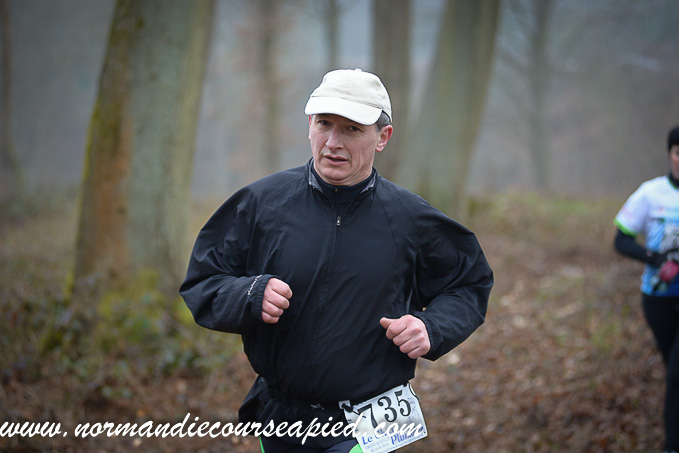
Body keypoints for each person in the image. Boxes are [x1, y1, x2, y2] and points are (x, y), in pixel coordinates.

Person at [180, 68, 493, 452]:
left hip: (370, 420)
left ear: (382, 137)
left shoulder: (411, 219)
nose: (333, 142)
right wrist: (250, 294)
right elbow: (203, 282)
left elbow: (469, 284)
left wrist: (433, 326)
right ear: (309, 125)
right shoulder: (261, 204)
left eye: (352, 129)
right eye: (324, 124)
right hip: (281, 416)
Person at [613, 125, 679, 453]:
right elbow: (621, 240)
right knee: (673, 371)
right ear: (670, 154)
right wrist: (654, 257)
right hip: (659, 300)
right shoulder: (650, 194)